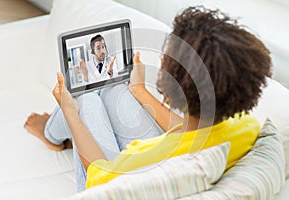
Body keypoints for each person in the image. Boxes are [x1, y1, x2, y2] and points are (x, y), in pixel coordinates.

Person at [24, 6, 272, 192]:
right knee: (114, 91)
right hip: (169, 152)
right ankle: (57, 131)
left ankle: (51, 134)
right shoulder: (246, 125)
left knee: (85, 100)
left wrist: (70, 112)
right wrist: (140, 90)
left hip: (109, 181)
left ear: (172, 86)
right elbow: (191, 130)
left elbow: (97, 178)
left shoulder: (146, 158)